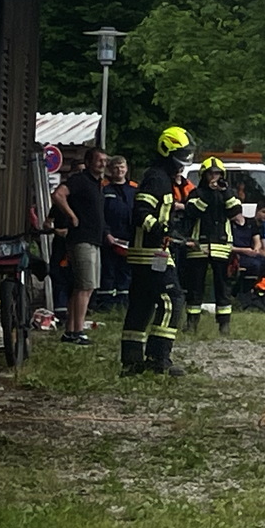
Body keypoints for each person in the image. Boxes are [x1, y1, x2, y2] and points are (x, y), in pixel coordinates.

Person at [120, 127, 193, 376]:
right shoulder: (157, 179)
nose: (183, 161)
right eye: (181, 155)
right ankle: (158, 359)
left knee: (141, 305)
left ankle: (131, 361)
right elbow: (141, 212)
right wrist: (160, 230)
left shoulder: (160, 176)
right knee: (172, 300)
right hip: (150, 252)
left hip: (147, 251)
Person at [52, 151, 105, 344]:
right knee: (85, 286)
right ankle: (78, 332)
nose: (103, 164)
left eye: (105, 160)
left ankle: (71, 331)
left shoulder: (97, 184)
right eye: (99, 160)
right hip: (81, 239)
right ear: (88, 162)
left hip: (94, 239)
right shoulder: (80, 180)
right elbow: (58, 195)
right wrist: (72, 216)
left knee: (82, 287)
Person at [181, 160, 237, 336]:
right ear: (204, 176)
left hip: (221, 245)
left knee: (223, 287)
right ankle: (192, 323)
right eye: (211, 173)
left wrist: (224, 192)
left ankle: (224, 325)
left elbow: (235, 211)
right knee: (195, 286)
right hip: (199, 246)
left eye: (217, 173)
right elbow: (192, 212)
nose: (214, 177)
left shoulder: (228, 193)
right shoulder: (196, 193)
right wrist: (208, 194)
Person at [100, 155, 135, 307]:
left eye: (122, 167)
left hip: (129, 237)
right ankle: (106, 303)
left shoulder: (134, 190)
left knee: (126, 271)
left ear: (126, 169)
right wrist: (107, 233)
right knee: (108, 270)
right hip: (110, 237)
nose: (119, 170)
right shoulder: (104, 190)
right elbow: (101, 215)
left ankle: (123, 303)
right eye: (115, 167)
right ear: (110, 170)